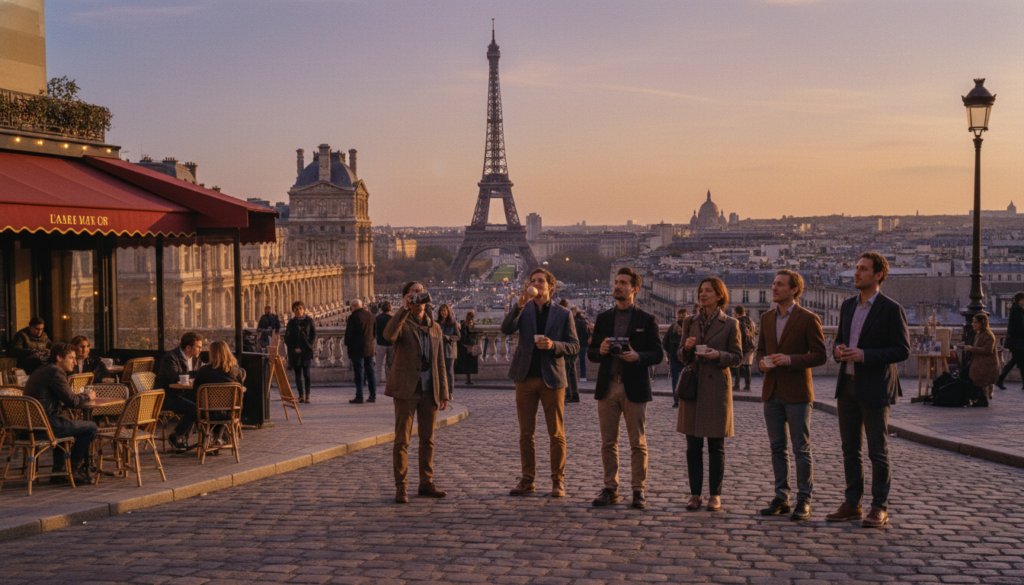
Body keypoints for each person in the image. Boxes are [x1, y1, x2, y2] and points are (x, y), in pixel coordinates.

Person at [828, 252, 910, 528]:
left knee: (877, 450)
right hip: (847, 385)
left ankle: (879, 506)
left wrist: (865, 355)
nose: (856, 273)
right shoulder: (847, 306)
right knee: (850, 449)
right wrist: (837, 350)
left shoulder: (891, 308)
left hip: (875, 386)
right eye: (856, 268)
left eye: (863, 269)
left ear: (878, 275)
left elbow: (902, 350)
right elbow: (840, 339)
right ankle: (853, 503)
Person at [754, 270, 827, 521]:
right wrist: (761, 363)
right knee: (777, 448)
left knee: (800, 448)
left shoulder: (808, 318)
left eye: (780, 285)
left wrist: (790, 360)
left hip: (797, 392)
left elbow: (820, 355)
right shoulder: (766, 318)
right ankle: (781, 497)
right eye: (773, 284)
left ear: (794, 290)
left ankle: (804, 499)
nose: (774, 288)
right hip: (771, 390)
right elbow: (760, 349)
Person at [588, 267, 663, 509]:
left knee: (637, 443)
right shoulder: (603, 318)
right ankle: (610, 487)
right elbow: (591, 353)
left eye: (623, 283)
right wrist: (600, 350)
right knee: (608, 442)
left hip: (634, 386)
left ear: (635, 289)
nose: (618, 286)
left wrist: (637, 356)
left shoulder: (647, 319)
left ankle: (638, 490)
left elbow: (658, 354)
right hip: (608, 386)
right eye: (616, 282)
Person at [502, 268, 580, 498]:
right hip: (525, 376)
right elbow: (506, 329)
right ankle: (528, 480)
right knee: (526, 434)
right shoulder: (523, 309)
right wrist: (518, 305)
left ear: (550, 287)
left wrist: (554, 345)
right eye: (532, 280)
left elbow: (574, 345)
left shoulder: (563, 313)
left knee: (556, 434)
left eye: (540, 281)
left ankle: (558, 481)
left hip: (552, 378)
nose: (535, 284)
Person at [677, 277, 742, 512]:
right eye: (701, 291)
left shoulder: (731, 324)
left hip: (716, 389)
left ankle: (715, 494)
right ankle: (695, 493)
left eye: (708, 291)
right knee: (693, 446)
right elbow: (681, 355)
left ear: (719, 296)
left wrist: (718, 355)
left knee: (716, 445)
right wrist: (686, 348)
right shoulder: (689, 321)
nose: (702, 295)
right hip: (694, 388)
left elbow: (738, 357)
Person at [382, 281, 450, 503]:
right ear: (406, 298)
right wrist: (403, 309)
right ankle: (401, 486)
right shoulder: (402, 323)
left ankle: (426, 482)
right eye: (413, 294)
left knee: (427, 440)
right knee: (402, 441)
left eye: (421, 292)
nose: (418, 297)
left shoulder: (435, 327)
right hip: (407, 389)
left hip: (430, 389)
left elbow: (440, 361)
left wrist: (444, 391)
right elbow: (388, 335)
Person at [23, 343, 97, 484]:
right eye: (71, 358)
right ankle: (73, 470)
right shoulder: (55, 372)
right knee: (91, 427)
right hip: (46, 425)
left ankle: (58, 472)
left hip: (29, 427)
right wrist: (87, 396)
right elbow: (73, 401)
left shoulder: (43, 369)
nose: (75, 362)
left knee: (64, 424)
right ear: (59, 358)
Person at [192, 340, 246, 452]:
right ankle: (218, 438)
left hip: (207, 413)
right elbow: (240, 388)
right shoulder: (235, 371)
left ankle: (210, 438)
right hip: (229, 413)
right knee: (223, 409)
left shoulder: (204, 371)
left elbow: (196, 391)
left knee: (202, 408)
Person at [155, 331, 204, 453]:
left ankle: (188, 439)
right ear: (188, 347)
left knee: (203, 405)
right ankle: (176, 435)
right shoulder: (170, 357)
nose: (200, 350)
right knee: (194, 409)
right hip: (166, 396)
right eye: (198, 347)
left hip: (184, 394)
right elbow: (174, 377)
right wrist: (197, 373)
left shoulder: (196, 359)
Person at [961, 313, 1000, 407]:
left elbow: (987, 350)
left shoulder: (988, 335)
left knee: (968, 374)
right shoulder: (980, 334)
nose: (972, 324)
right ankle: (977, 397)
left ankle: (981, 398)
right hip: (980, 363)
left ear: (982, 323)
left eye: (975, 322)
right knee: (965, 373)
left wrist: (971, 348)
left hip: (985, 364)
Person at [344, 299, 377, 404]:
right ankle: (372, 395)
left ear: (353, 307)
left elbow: (348, 335)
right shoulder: (371, 315)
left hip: (357, 349)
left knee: (359, 372)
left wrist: (347, 343)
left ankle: (359, 396)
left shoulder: (353, 317)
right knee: (370, 371)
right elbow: (375, 332)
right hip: (369, 347)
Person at [285, 301, 316, 404]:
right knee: (297, 375)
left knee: (307, 374)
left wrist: (306, 347)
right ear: (293, 311)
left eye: (300, 309)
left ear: (303, 309)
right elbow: (287, 338)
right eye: (296, 309)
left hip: (305, 352)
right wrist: (294, 348)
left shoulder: (309, 321)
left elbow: (313, 336)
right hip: (295, 352)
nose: (298, 311)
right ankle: (301, 395)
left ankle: (308, 395)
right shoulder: (291, 322)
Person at [996, 291, 1024, 391]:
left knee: (1020, 361)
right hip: (1018, 342)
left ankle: (1000, 379)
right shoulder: (1018, 309)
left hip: (1015, 341)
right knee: (1015, 361)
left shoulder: (1015, 308)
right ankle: (1000, 379)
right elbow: (1020, 326)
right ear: (1021, 300)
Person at [663, 307, 690, 408]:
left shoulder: (672, 327)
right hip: (686, 357)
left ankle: (676, 400)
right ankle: (685, 398)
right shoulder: (690, 327)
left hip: (674, 357)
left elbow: (664, 343)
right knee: (687, 378)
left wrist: (671, 352)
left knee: (675, 378)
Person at [437, 303, 460, 401]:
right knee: (440, 372)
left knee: (449, 372)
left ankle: (449, 393)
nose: (443, 313)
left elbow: (458, 336)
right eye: (442, 311)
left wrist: (449, 338)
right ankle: (441, 392)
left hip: (450, 350)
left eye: (445, 311)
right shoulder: (437, 323)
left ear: (448, 312)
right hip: (440, 350)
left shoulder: (453, 323)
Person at [732, 306, 756, 391]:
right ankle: (747, 385)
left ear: (737, 313)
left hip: (742, 346)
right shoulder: (751, 321)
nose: (733, 314)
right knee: (747, 366)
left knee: (738, 366)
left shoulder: (738, 321)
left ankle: (737, 385)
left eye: (734, 313)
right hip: (750, 346)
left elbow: (741, 335)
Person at [560, 300, 580, 403]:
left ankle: (570, 394)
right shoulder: (576, 318)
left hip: (568, 349)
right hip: (573, 348)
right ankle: (573, 394)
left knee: (567, 373)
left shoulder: (566, 318)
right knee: (571, 372)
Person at [455, 310, 480, 385]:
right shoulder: (463, 326)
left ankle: (469, 379)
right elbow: (462, 337)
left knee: (470, 364)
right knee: (466, 364)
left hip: (470, 347)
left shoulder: (472, 326)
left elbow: (475, 337)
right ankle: (468, 379)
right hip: (464, 346)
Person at [375, 301, 395, 385]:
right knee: (390, 364)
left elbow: (374, 331)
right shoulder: (392, 319)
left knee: (379, 364)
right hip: (390, 344)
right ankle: (389, 381)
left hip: (380, 343)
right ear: (390, 309)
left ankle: (377, 380)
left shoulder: (377, 318)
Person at [574, 308, 592, 382]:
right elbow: (587, 333)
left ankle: (572, 377)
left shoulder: (576, 321)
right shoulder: (585, 321)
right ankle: (583, 376)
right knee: (582, 360)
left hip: (576, 343)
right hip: (584, 343)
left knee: (573, 361)